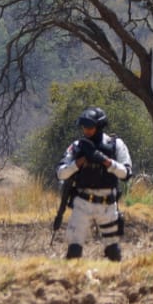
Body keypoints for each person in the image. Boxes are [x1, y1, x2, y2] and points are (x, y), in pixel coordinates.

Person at [55, 106, 132, 261]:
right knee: (74, 250)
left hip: (108, 205)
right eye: (84, 127)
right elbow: (60, 173)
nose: (86, 130)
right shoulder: (77, 146)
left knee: (113, 252)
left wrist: (105, 161)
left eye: (90, 127)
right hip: (82, 203)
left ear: (99, 127)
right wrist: (78, 163)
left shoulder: (115, 144)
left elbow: (126, 173)